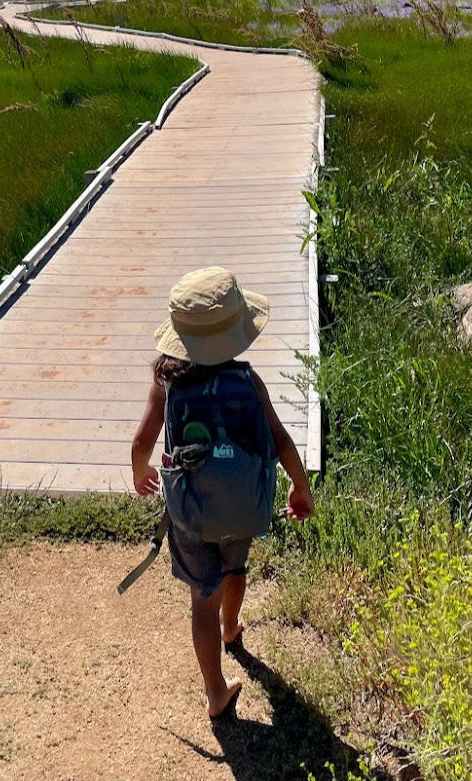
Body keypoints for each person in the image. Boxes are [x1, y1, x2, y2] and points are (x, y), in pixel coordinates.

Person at [131, 266, 314, 719]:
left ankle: (215, 690)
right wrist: (299, 486)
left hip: (192, 513)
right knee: (236, 569)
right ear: (237, 333)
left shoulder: (167, 385)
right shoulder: (248, 382)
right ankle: (231, 627)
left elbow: (142, 443)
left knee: (201, 599)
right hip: (242, 508)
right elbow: (281, 441)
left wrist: (141, 473)